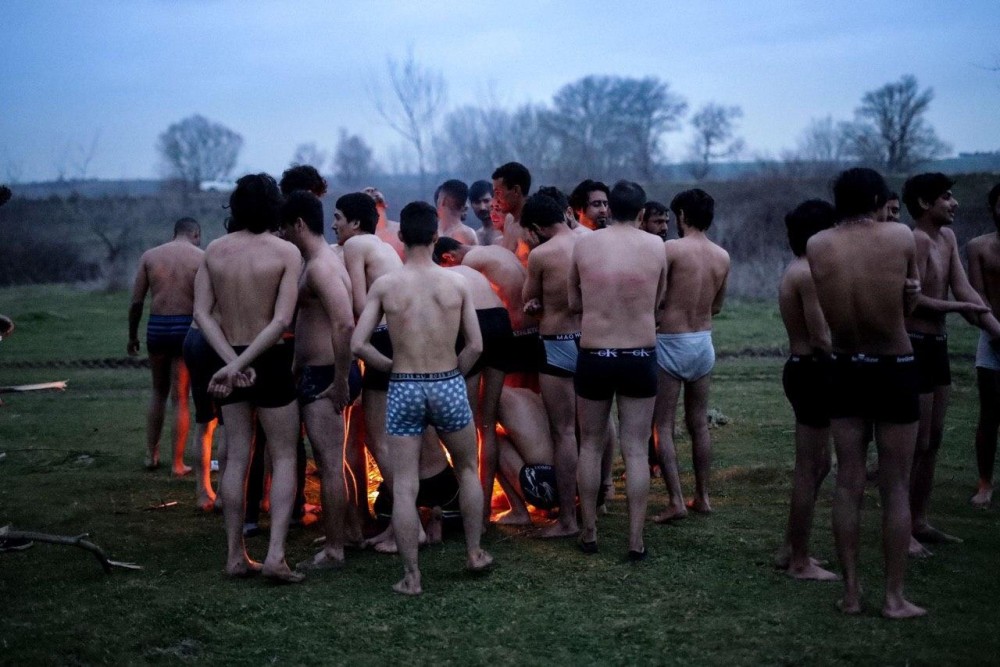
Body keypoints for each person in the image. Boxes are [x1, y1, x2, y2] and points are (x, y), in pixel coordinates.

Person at [351, 200, 493, 595]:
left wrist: (392, 368)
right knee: (466, 469)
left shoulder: (386, 285)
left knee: (405, 484)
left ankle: (412, 576)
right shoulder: (456, 282)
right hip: (446, 380)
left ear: (399, 237)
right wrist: (452, 374)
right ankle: (474, 552)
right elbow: (476, 346)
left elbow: (359, 344)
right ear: (435, 236)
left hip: (405, 385)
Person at [807, 166, 925, 618]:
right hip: (894, 365)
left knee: (849, 480)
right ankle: (894, 597)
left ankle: (852, 593)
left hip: (845, 366)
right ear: (878, 199)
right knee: (895, 485)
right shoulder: (899, 236)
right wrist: (909, 293)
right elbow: (907, 304)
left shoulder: (818, 244)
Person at [193, 173, 303, 583]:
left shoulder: (214, 251)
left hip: (229, 357)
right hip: (268, 358)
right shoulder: (285, 252)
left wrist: (231, 362)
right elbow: (281, 320)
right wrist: (243, 362)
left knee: (236, 455)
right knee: (285, 454)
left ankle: (235, 555)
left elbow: (201, 314)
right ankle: (274, 556)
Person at [902, 172, 999, 553]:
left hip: (939, 345)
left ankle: (920, 521)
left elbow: (965, 290)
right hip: (916, 345)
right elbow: (913, 302)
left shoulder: (948, 237)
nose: (954, 203)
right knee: (917, 441)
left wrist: (995, 330)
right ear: (925, 204)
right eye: (946, 197)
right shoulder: (916, 240)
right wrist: (962, 308)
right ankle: (903, 530)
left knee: (934, 441)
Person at [570, 180, 666, 559]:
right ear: (642, 213)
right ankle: (635, 539)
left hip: (595, 353)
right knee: (637, 450)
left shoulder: (585, 244)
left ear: (609, 209)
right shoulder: (656, 246)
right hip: (640, 354)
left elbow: (572, 300)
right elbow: (658, 301)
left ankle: (590, 531)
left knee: (591, 445)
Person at [277, 191, 358, 570]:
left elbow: (344, 322)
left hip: (328, 376)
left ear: (298, 224)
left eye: (284, 226)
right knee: (335, 462)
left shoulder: (322, 267)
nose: (281, 233)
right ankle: (351, 532)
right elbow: (313, 323)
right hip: (318, 372)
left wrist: (341, 379)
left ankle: (335, 551)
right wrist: (297, 366)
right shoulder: (319, 261)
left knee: (328, 463)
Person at [432, 237, 536, 523]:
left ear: (446, 258)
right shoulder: (490, 254)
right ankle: (492, 507)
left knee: (464, 424)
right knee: (486, 424)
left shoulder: (444, 271)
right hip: (501, 322)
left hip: (474, 324)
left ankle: (469, 507)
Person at [652, 189, 730, 520]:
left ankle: (675, 500)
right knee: (699, 423)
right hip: (702, 341)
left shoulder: (671, 249)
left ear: (682, 215)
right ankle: (704, 496)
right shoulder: (722, 256)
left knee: (663, 425)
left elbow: (657, 295)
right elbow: (717, 305)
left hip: (671, 340)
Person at [775, 199, 838, 580]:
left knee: (821, 464)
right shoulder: (809, 273)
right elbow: (822, 339)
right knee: (808, 467)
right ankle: (800, 560)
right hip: (812, 371)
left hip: (808, 371)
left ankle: (790, 547)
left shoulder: (801, 269)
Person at [519, 193, 582, 537]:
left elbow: (530, 300)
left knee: (565, 432)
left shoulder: (541, 254)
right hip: (590, 340)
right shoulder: (590, 244)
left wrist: (534, 307)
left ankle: (568, 520)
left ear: (536, 227)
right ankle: (594, 507)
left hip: (556, 343)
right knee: (593, 432)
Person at [337, 192, 404, 498]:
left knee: (378, 439)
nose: (334, 224)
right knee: (392, 435)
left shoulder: (354, 245)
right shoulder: (384, 247)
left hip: (380, 338)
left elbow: (360, 303)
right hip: (401, 335)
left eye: (338, 218)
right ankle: (404, 517)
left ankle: (406, 522)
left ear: (355, 222)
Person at [127, 217, 203, 476]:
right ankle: (178, 463)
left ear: (174, 233)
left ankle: (151, 455)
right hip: (185, 327)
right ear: (195, 233)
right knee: (180, 397)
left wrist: (132, 335)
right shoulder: (200, 257)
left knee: (158, 392)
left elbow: (136, 302)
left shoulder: (150, 256)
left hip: (157, 327)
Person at [967, 183, 1000, 508]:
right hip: (993, 337)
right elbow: (976, 295)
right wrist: (994, 330)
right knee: (990, 413)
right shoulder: (978, 247)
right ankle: (984, 482)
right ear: (992, 208)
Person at [492, 162, 532, 266]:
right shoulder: (509, 219)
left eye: (498, 193)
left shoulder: (530, 226)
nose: (496, 199)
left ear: (516, 190)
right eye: (494, 194)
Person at [362, 186, 406, 260]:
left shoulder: (402, 228)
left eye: (375, 190)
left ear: (386, 204)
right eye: (367, 192)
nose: (372, 191)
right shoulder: (361, 237)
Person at [435, 179, 478, 245]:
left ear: (443, 200)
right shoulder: (469, 234)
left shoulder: (431, 232)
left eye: (439, 198)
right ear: (463, 205)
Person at [470, 180, 500, 244]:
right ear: (471, 205)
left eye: (486, 201)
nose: (482, 207)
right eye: (477, 202)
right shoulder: (474, 237)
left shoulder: (507, 231)